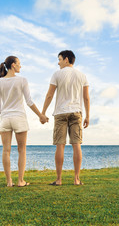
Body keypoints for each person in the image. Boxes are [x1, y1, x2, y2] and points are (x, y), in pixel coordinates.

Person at [0, 56, 48, 187]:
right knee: (21, 150)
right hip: (19, 118)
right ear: (13, 65)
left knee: (6, 151)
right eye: (19, 63)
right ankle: (20, 181)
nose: (20, 66)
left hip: (5, 119)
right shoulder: (22, 80)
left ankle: (9, 182)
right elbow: (29, 101)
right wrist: (40, 115)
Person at [42, 50, 90, 186]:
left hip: (60, 113)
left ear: (67, 59)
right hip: (76, 113)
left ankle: (58, 179)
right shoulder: (82, 75)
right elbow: (86, 98)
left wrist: (43, 112)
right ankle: (76, 179)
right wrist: (87, 115)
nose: (58, 63)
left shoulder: (57, 74)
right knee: (77, 145)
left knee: (60, 146)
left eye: (60, 59)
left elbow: (49, 95)